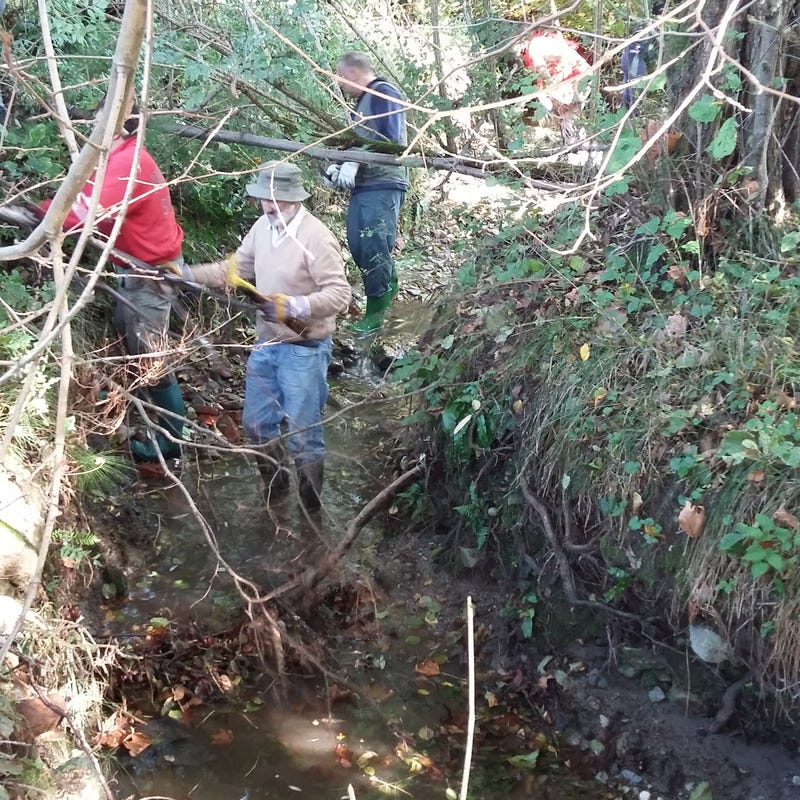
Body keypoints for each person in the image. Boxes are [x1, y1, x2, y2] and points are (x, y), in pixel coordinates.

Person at [187, 161, 351, 510]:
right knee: (257, 425)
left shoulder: (317, 237)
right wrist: (186, 273)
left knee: (304, 437)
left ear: (295, 199)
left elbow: (340, 295)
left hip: (305, 350)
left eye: (276, 199)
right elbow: (233, 270)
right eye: (265, 198)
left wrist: (294, 306)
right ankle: (275, 497)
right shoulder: (262, 227)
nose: (269, 206)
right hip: (267, 344)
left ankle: (311, 514)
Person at [42, 91, 188, 464]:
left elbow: (84, 213)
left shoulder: (127, 164)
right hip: (137, 267)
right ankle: (135, 412)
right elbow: (95, 207)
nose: (94, 123)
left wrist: (38, 215)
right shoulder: (120, 158)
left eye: (102, 118)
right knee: (131, 339)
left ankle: (173, 442)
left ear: (122, 125)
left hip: (152, 275)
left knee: (150, 357)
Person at [327, 51, 407, 334]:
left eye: (341, 78)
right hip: (362, 186)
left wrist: (355, 160)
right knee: (359, 245)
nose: (341, 85)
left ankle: (376, 314)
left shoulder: (384, 93)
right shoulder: (359, 105)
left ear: (352, 74)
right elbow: (357, 142)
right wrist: (337, 165)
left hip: (384, 183)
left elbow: (392, 142)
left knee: (373, 247)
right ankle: (389, 288)